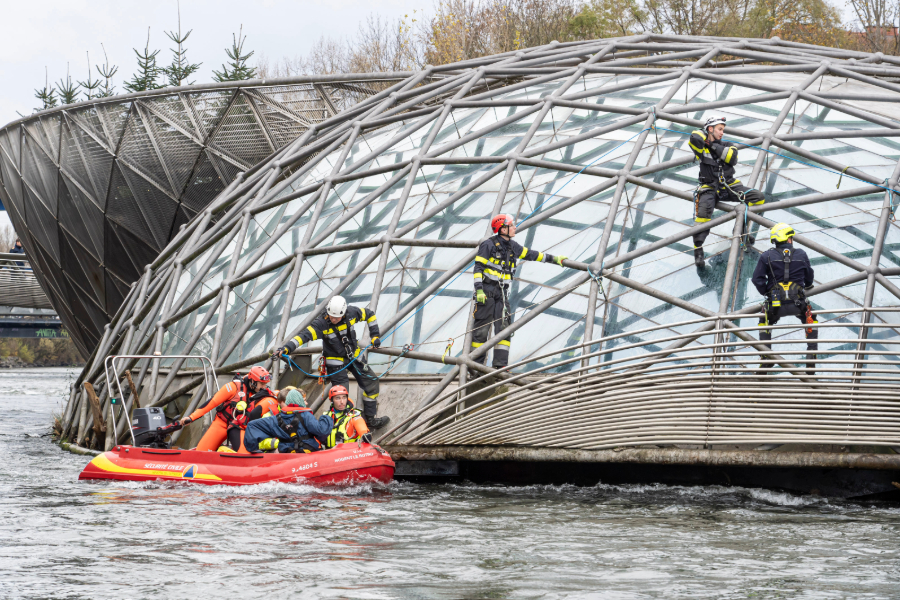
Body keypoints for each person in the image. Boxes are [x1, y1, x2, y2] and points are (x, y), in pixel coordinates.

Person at [277, 296, 390, 430]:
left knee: (371, 383)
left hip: (354, 355)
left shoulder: (352, 313)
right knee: (340, 395)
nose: (333, 319)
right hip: (335, 361)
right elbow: (303, 336)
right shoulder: (321, 323)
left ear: (344, 313)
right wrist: (286, 348)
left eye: (336, 317)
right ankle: (341, 427)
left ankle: (370, 420)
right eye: (331, 316)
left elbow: (370, 315)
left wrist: (375, 336)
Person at [472, 214, 567, 369]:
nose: (514, 227)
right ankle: (474, 367)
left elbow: (533, 254)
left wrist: (554, 259)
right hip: (487, 293)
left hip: (502, 294)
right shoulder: (488, 245)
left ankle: (500, 367)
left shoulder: (513, 246)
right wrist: (479, 290)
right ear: (503, 229)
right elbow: (478, 268)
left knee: (504, 330)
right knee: (481, 332)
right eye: (511, 225)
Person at [689, 116, 765, 267]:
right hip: (709, 187)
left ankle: (743, 229)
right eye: (719, 129)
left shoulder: (727, 145)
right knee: (702, 216)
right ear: (710, 129)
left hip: (729, 186)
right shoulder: (700, 146)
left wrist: (711, 144)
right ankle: (698, 250)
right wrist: (707, 138)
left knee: (758, 197)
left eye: (723, 130)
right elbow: (694, 137)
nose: (722, 132)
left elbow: (731, 157)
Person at [751, 223, 818, 375]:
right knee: (811, 318)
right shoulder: (801, 254)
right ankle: (811, 356)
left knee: (764, 321)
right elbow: (809, 278)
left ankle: (766, 357)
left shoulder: (766, 256)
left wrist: (767, 292)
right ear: (788, 239)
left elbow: (757, 279)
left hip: (775, 305)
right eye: (791, 237)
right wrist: (805, 284)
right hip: (798, 303)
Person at [177, 366, 274, 451]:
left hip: (241, 428)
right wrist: (191, 417)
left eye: (265, 384)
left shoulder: (264, 393)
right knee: (201, 453)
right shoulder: (233, 387)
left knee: (244, 454)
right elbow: (212, 403)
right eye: (262, 384)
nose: (264, 387)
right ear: (253, 381)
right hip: (221, 424)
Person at [243, 388, 333, 453]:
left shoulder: (276, 418)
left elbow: (252, 426)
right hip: (307, 454)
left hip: (286, 455)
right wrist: (325, 418)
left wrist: (252, 449)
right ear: (300, 401)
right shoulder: (306, 415)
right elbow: (322, 431)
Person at [323, 385, 372, 449]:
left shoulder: (354, 416)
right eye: (338, 398)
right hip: (329, 453)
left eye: (344, 398)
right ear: (331, 400)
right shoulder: (326, 416)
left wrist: (365, 435)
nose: (342, 402)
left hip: (348, 454)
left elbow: (362, 428)